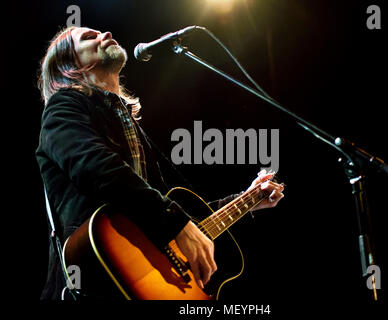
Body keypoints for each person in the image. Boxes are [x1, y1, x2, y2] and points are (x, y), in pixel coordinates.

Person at [36, 26, 284, 300]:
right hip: (96, 281)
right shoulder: (63, 108)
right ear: (68, 65)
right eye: (88, 37)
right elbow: (96, 168)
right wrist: (175, 223)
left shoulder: (127, 121)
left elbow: (172, 208)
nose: (105, 34)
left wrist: (246, 199)